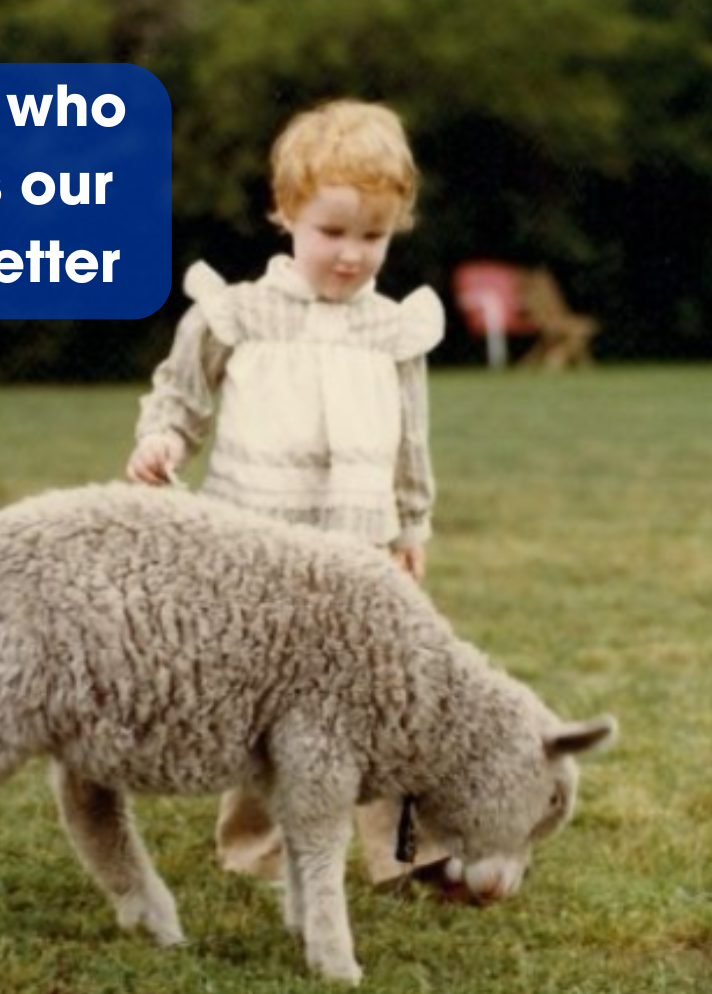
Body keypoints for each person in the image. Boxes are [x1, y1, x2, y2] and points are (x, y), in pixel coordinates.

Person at [126, 98, 445, 885]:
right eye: (332, 232)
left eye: (371, 236)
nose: (350, 254)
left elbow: (412, 437)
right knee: (270, 701)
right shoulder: (237, 315)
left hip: (359, 544)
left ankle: (404, 851)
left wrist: (412, 524)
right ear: (287, 214)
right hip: (256, 548)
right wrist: (162, 438)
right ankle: (261, 853)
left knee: (389, 687)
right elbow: (181, 397)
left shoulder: (393, 330)